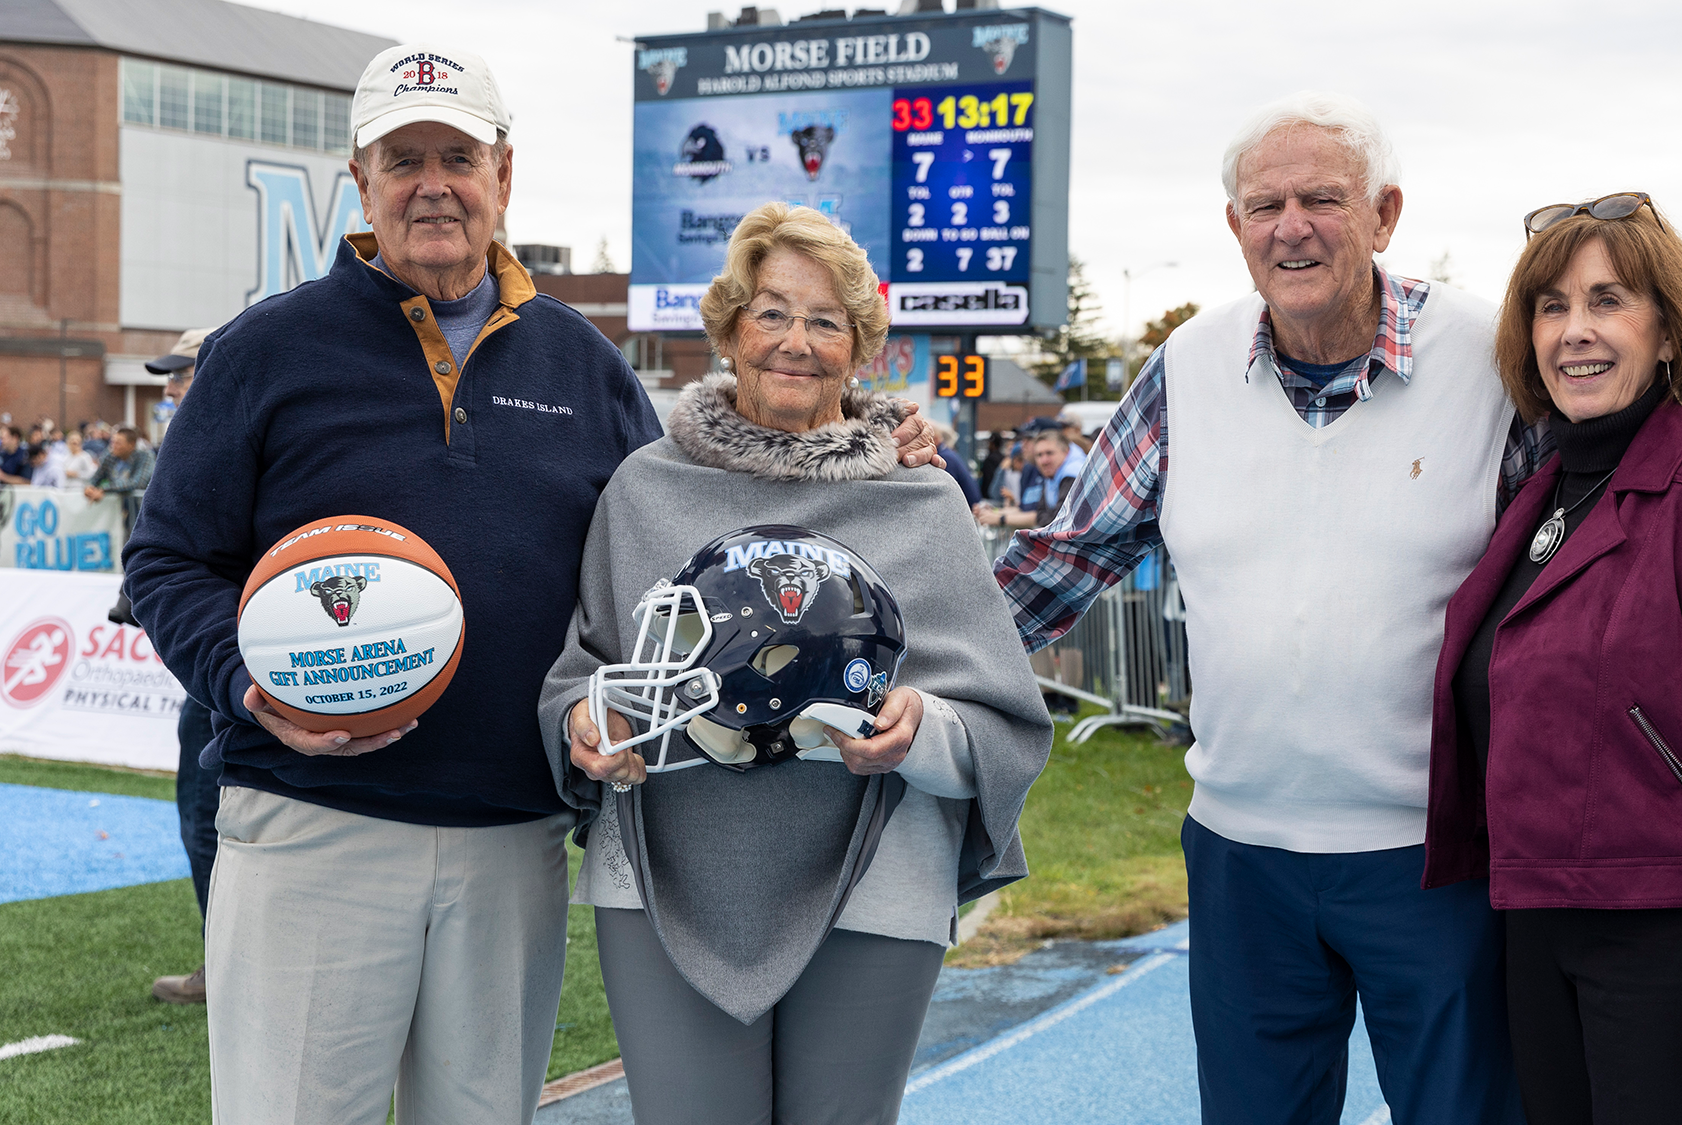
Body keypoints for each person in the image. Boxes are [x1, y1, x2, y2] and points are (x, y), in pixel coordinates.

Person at [122, 41, 952, 1125]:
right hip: (310, 820)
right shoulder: (263, 350)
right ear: (360, 178)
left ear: (502, 175)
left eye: (457, 156)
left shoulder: (582, 363)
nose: (432, 183)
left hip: (512, 839)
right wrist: (247, 683)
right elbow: (166, 560)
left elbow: (715, 511)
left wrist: (873, 431)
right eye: (402, 157)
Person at [996, 91, 1547, 1123]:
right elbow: (1064, 559)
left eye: (1321, 200)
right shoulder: (1185, 368)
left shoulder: (1490, 359)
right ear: (1233, 228)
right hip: (1241, 853)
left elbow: (1576, 580)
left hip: (1437, 856)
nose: (1290, 226)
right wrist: (893, 658)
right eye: (1264, 205)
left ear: (1383, 215)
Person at [541, 201, 1050, 1125]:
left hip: (878, 868)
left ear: (861, 348)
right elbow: (585, 671)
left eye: (826, 321)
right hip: (663, 869)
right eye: (772, 312)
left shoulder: (920, 499)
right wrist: (585, 724)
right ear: (730, 329)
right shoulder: (644, 487)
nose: (796, 341)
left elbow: (998, 717)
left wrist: (921, 730)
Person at [1426, 193, 1682, 1122]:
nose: (1575, 332)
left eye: (1608, 301)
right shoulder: (1535, 504)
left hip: (1662, 945)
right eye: (1552, 305)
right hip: (1528, 927)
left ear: (1670, 332)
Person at [139, 326, 221, 1006]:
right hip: (225, 664)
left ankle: (226, 965)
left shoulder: (225, 436)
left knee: (204, 814)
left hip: (231, 673)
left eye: (181, 371)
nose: (169, 386)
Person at [977, 430, 1077, 530]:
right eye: (1039, 455)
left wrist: (1000, 518)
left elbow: (1054, 520)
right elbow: (1029, 510)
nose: (1044, 460)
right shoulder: (1048, 474)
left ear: (1065, 451)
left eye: (1049, 453)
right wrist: (994, 512)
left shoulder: (1070, 475)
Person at [84, 426, 155, 536]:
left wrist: (104, 489)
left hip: (142, 514)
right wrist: (90, 488)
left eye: (118, 443)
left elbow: (137, 482)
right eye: (113, 442)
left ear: (131, 444)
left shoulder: (145, 457)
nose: (113, 446)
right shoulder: (109, 457)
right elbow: (96, 477)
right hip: (117, 515)